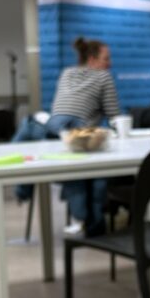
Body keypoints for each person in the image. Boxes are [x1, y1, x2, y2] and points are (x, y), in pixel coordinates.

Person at [39, 37, 119, 236]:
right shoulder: (104, 77)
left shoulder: (66, 73)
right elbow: (114, 117)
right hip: (82, 142)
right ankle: (94, 224)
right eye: (106, 59)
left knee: (83, 168)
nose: (110, 64)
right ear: (92, 59)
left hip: (54, 143)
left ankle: (81, 216)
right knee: (99, 169)